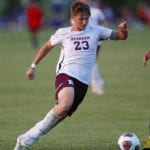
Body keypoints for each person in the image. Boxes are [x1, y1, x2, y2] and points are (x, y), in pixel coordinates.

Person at [14, 1, 128, 150]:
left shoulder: (96, 30)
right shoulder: (63, 32)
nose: (84, 22)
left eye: (87, 18)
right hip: (66, 74)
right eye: (81, 19)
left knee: (61, 113)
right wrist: (33, 66)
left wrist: (123, 30)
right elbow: (47, 46)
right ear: (73, 17)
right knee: (65, 104)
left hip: (83, 82)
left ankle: (26, 139)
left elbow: (119, 36)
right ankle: (27, 139)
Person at [80, 0, 107, 95]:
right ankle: (97, 82)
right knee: (88, 62)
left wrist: (99, 32)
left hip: (95, 39)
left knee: (91, 61)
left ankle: (96, 83)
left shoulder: (96, 11)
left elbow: (104, 22)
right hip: (83, 40)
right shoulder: (77, 11)